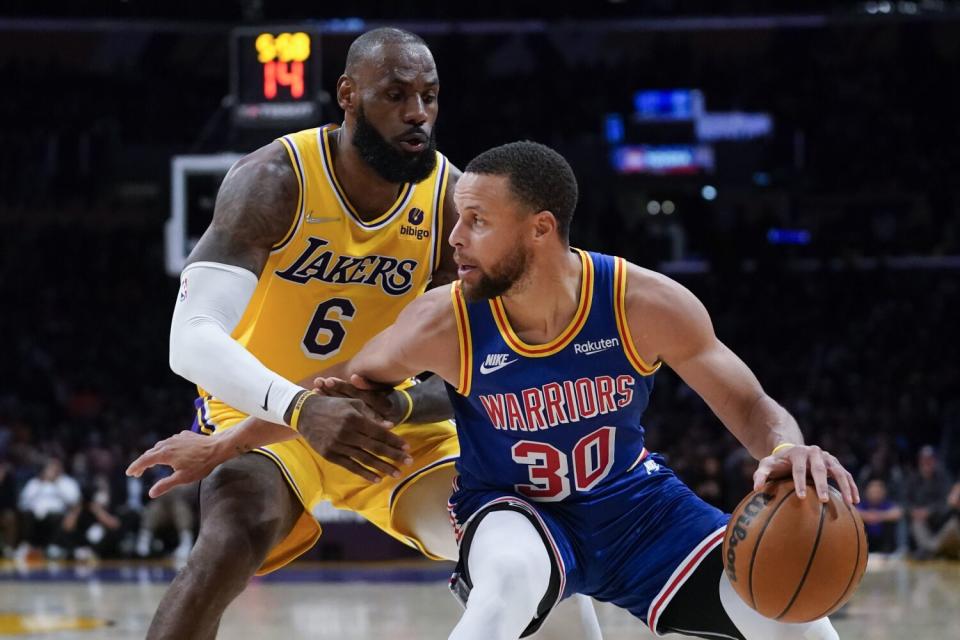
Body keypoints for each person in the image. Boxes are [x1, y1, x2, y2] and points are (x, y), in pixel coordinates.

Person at [137, 141, 861, 639]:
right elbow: (339, 394)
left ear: (540, 231)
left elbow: (750, 406)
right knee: (506, 581)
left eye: (476, 222)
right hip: (513, 509)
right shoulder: (442, 320)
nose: (454, 239)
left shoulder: (642, 301)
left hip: (636, 511)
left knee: (802, 622)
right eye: (456, 218)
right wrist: (226, 442)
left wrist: (787, 450)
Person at [128, 29, 601, 640]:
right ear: (347, 95)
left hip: (386, 416)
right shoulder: (275, 180)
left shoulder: (450, 205)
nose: (418, 114)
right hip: (264, 405)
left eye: (430, 96)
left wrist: (393, 400)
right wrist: (301, 409)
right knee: (233, 534)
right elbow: (189, 338)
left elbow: (490, 361)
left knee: (526, 543)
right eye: (396, 95)